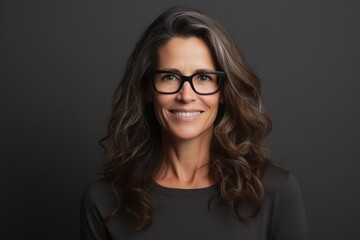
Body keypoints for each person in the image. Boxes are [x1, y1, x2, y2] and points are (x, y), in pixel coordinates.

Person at [80, 6, 308, 240]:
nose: (186, 95)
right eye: (169, 77)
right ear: (147, 89)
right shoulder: (104, 200)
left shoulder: (275, 191)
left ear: (223, 92)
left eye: (204, 77)